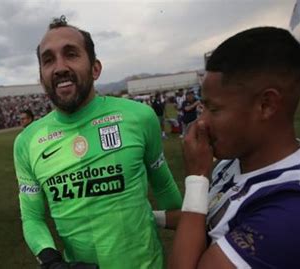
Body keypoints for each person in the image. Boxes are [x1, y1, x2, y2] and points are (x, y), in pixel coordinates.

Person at [169, 27, 300, 268]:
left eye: (213, 109)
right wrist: (154, 218)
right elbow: (207, 215)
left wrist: (196, 179)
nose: (201, 121)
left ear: (266, 105)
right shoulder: (231, 162)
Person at [13, 16, 182, 268]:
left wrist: (189, 236)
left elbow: (165, 187)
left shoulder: (139, 117)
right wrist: (50, 260)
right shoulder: (27, 142)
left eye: (71, 54)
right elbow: (32, 217)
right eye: (48, 60)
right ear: (41, 77)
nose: (59, 67)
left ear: (95, 68)